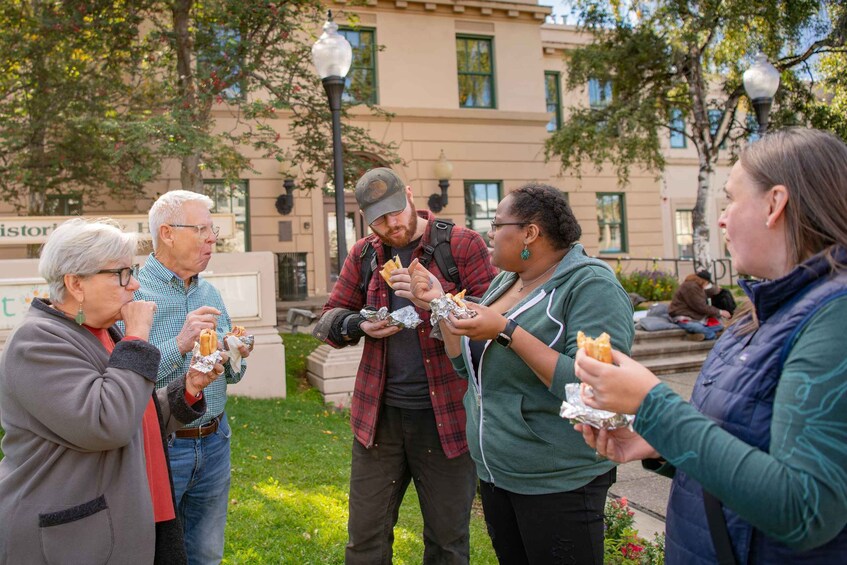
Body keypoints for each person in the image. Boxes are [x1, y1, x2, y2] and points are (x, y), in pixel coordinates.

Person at [574, 128, 847, 564]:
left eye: (731, 200)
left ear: (775, 204)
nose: (721, 218)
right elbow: (744, 447)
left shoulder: (836, 316)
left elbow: (805, 509)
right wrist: (660, 443)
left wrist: (652, 405)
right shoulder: (761, 312)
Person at [409, 183, 635, 564]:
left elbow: (596, 389)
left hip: (557, 481)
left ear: (530, 232)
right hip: (498, 475)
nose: (489, 234)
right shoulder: (508, 281)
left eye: (497, 224)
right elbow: (466, 365)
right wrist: (439, 304)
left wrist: (507, 332)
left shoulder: (591, 285)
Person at [0, 218, 225, 564]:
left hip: (129, 519)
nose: (134, 284)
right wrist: (137, 337)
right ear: (76, 284)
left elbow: (135, 413)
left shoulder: (103, 332)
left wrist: (189, 387)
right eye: (121, 274)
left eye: (132, 271)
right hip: (75, 537)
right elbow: (109, 423)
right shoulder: (36, 343)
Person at [313, 167, 497, 564]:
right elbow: (327, 320)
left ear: (410, 195)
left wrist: (437, 301)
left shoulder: (462, 245)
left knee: (448, 543)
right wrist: (359, 324)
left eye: (396, 210)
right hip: (380, 419)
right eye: (379, 218)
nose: (391, 223)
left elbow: (494, 322)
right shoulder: (365, 253)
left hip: (447, 415)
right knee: (365, 540)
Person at [134, 190, 251, 565]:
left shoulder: (210, 290)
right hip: (163, 446)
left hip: (216, 440)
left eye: (211, 229)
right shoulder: (134, 296)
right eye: (201, 229)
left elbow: (232, 376)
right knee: (156, 553)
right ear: (167, 233)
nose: (211, 238)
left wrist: (236, 352)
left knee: (206, 555)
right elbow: (129, 379)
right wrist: (180, 344)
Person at [668, 270, 730, 340]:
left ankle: (698, 335)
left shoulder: (696, 285)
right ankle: (692, 336)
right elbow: (701, 306)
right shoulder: (691, 287)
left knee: (719, 326)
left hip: (693, 315)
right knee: (709, 334)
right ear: (704, 281)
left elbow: (707, 292)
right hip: (684, 316)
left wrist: (717, 289)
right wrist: (720, 312)